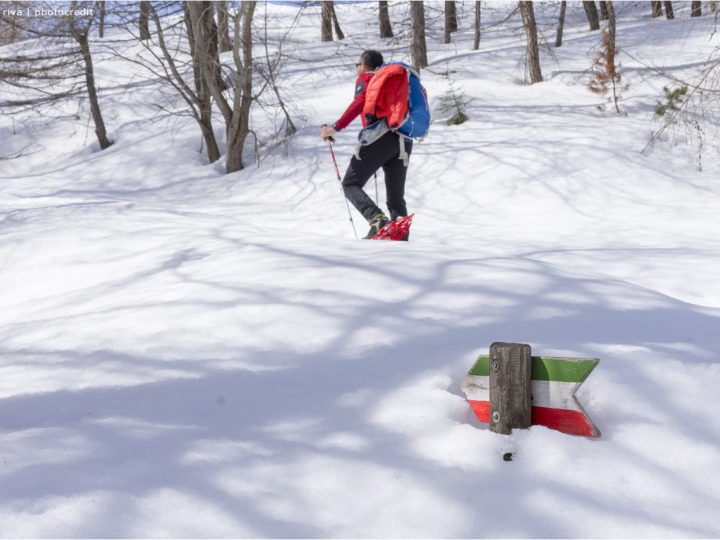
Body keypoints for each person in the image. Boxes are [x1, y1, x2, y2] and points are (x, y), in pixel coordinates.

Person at [320, 50, 413, 240]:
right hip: (404, 139)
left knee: (350, 183)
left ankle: (377, 220)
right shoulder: (394, 82)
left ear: (363, 65)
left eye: (357, 65)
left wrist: (336, 127)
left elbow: (360, 101)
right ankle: (401, 238)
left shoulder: (367, 78)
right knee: (396, 196)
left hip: (381, 137)